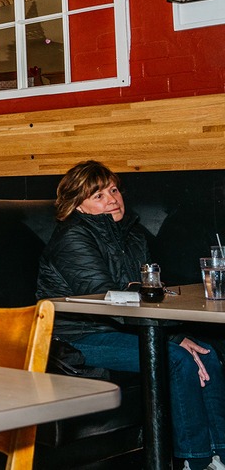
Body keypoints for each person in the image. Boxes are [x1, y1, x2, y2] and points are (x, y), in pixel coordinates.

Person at [37, 160, 225, 470]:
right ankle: (196, 460)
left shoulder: (131, 234)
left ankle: (220, 454)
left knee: (206, 352)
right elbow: (108, 298)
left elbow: (151, 291)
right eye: (98, 195)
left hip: (121, 328)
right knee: (176, 359)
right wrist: (175, 338)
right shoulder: (72, 238)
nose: (112, 198)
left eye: (113, 189)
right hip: (75, 336)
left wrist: (178, 335)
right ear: (78, 206)